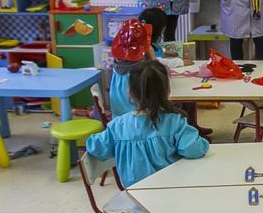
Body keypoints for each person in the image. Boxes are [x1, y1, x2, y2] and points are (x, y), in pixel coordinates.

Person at [87, 59, 208, 187]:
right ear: (167, 90)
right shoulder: (174, 122)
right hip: (171, 194)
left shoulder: (118, 126)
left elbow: (95, 148)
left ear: (129, 91)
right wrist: (204, 143)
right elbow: (195, 149)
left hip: (134, 198)